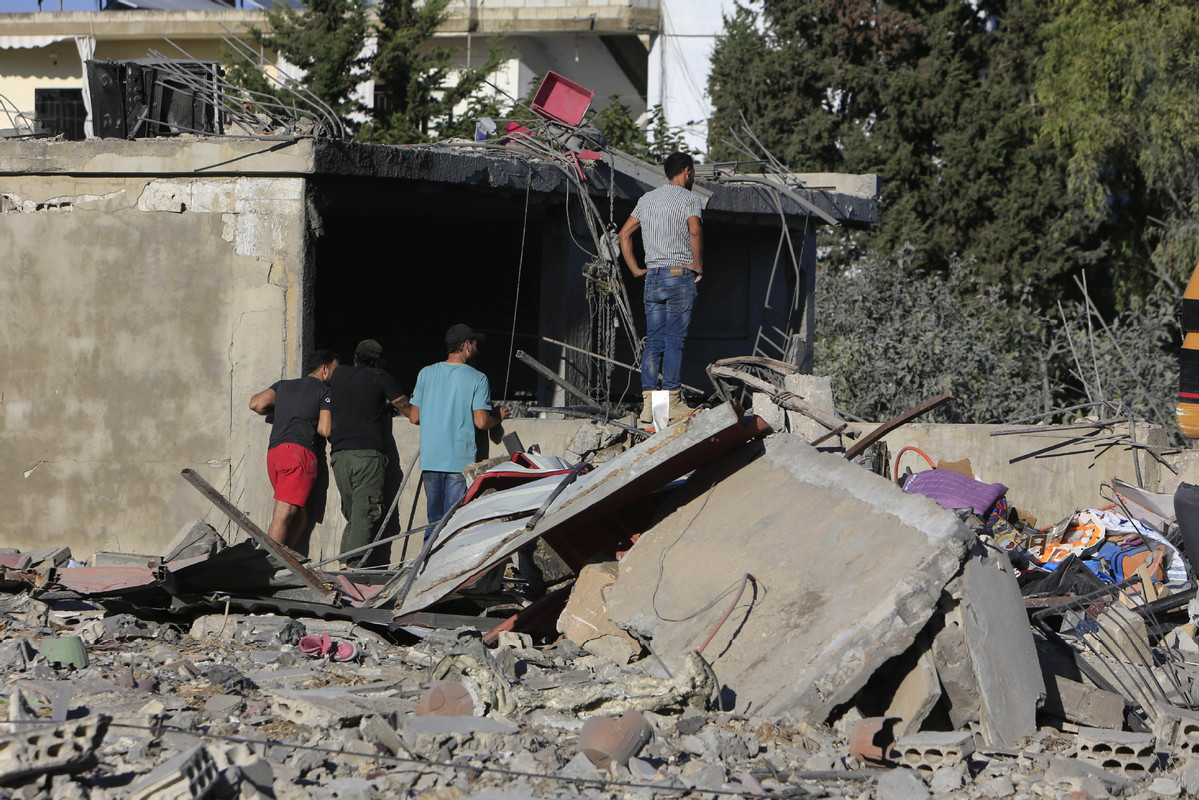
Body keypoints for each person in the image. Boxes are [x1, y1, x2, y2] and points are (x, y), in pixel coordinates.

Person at [618, 151, 704, 424]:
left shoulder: (646, 199)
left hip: (652, 278)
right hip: (678, 275)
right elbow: (695, 231)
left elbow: (623, 234)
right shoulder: (690, 199)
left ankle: (649, 406)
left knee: (654, 342)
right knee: (674, 341)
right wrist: (698, 265)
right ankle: (672, 402)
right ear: (687, 171)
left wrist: (635, 269)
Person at [408, 324, 509, 527]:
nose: (477, 348)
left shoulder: (425, 373)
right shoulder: (478, 378)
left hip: (431, 460)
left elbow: (414, 417)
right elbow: (481, 421)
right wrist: (497, 417)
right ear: (467, 346)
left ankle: (430, 549)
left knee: (434, 524)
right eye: (475, 344)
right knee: (453, 524)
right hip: (458, 461)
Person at [328, 339, 411, 567]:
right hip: (367, 457)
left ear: (355, 357)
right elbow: (412, 413)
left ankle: (343, 568)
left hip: (339, 457)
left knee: (354, 516)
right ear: (379, 361)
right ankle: (353, 571)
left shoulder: (339, 375)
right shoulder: (380, 377)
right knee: (365, 516)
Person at [249, 349, 339, 548]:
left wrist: (283, 410)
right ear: (324, 370)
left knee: (298, 515)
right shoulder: (325, 392)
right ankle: (268, 562)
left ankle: (285, 558)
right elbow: (324, 429)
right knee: (283, 514)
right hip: (299, 454)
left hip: (275, 454)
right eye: (335, 371)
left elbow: (256, 404)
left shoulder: (283, 385)